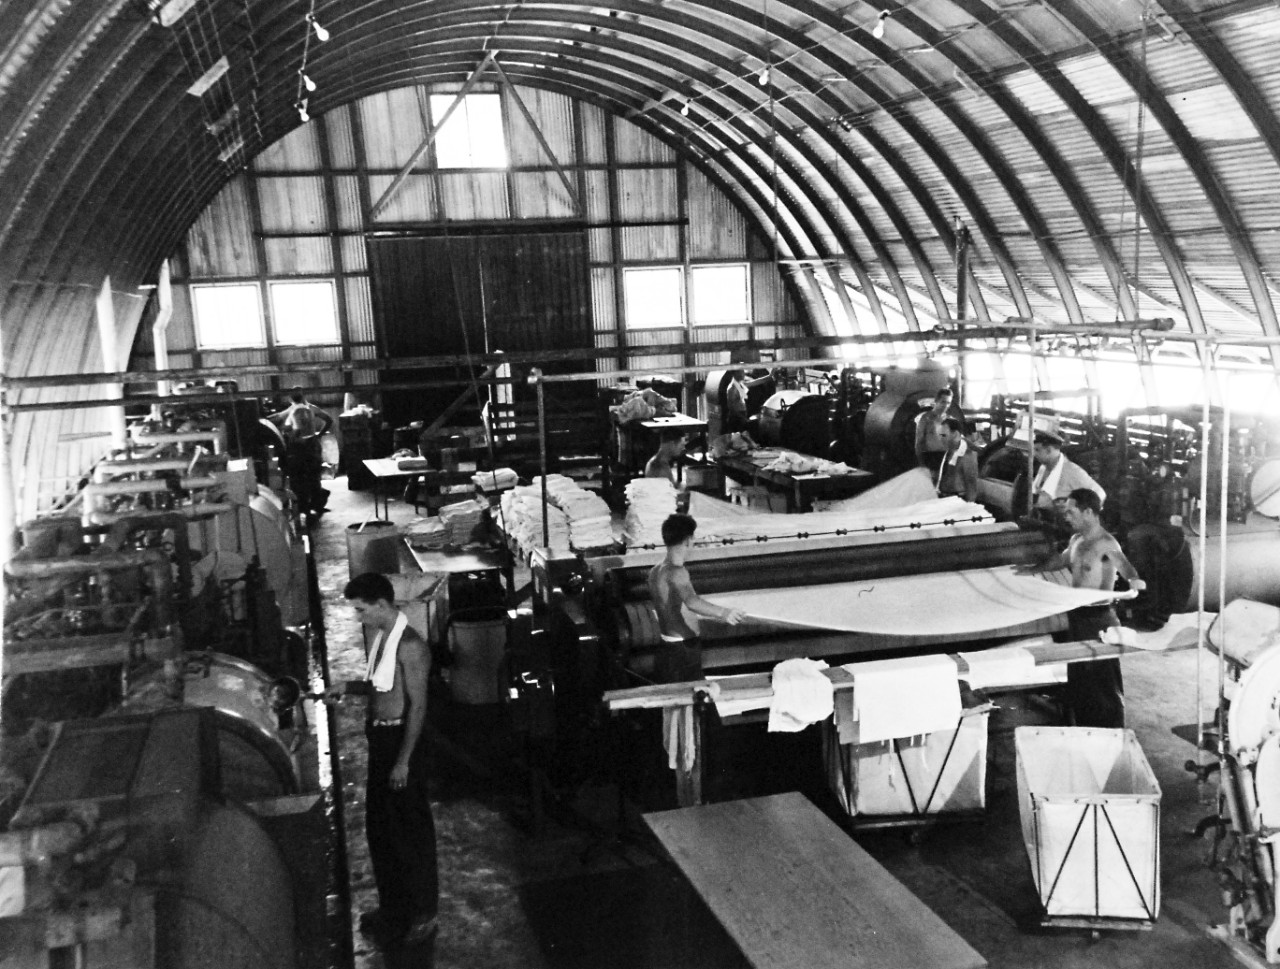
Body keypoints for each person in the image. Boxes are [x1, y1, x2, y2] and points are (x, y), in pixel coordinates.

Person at [325, 573, 438, 952]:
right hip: (380, 739)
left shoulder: (410, 647)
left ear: (381, 605)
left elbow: (418, 707)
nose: (357, 617)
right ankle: (394, 909)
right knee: (381, 831)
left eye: (360, 609)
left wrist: (404, 761)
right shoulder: (380, 638)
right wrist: (347, 688)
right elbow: (379, 685)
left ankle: (423, 914)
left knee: (410, 833)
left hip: (400, 741)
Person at [1017, 489, 1145, 728]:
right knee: (1080, 680)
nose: (1066, 517)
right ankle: (1084, 727)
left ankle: (1112, 730)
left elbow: (1124, 565)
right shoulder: (1077, 540)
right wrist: (1031, 569)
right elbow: (1062, 559)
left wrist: (1134, 581)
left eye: (1071, 512)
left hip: (1099, 620)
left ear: (1088, 512)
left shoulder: (1106, 543)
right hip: (1076, 616)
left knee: (1103, 682)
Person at [647, 514, 746, 683]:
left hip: (667, 648)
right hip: (682, 651)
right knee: (699, 701)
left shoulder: (655, 571)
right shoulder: (677, 572)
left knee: (681, 703)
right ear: (688, 540)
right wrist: (724, 613)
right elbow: (691, 602)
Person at [269, 387, 334, 520]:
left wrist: (263, 419)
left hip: (299, 450)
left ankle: (304, 509)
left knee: (300, 480)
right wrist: (319, 434)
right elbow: (329, 420)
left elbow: (275, 420)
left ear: (290, 398)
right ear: (303, 396)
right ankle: (317, 506)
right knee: (314, 477)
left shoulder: (291, 410)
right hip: (313, 448)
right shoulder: (311, 408)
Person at [1029, 426, 1105, 514]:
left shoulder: (1072, 471)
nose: (1034, 454)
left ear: (1049, 450)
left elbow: (1100, 494)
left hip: (1061, 523)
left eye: (1037, 450)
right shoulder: (1043, 468)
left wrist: (1080, 513)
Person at [915, 387, 955, 478]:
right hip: (929, 457)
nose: (945, 405)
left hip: (944, 458)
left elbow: (953, 443)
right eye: (943, 402)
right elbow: (919, 442)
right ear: (936, 401)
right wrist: (921, 464)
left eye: (948, 403)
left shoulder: (950, 420)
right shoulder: (926, 418)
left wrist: (949, 459)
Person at [936, 417, 979, 502]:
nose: (940, 439)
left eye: (944, 435)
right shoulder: (948, 451)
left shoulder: (967, 455)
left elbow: (971, 487)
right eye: (940, 435)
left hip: (957, 501)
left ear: (955, 434)